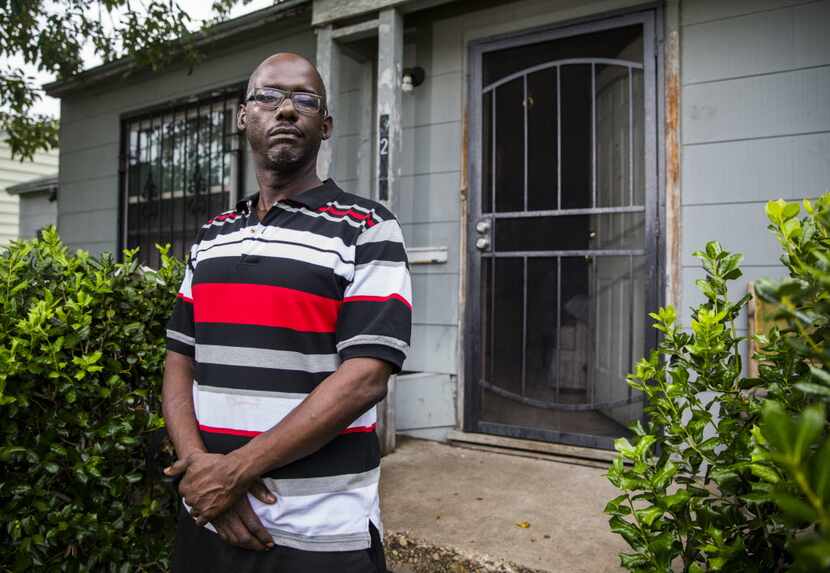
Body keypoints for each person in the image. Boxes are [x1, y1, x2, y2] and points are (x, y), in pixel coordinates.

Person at [161, 52, 412, 573]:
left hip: (319, 533)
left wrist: (234, 473)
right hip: (207, 517)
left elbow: (365, 377)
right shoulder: (213, 235)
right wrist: (202, 475)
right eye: (269, 96)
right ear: (243, 115)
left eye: (305, 100)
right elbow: (180, 360)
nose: (287, 110)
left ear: (326, 125)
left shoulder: (367, 226)